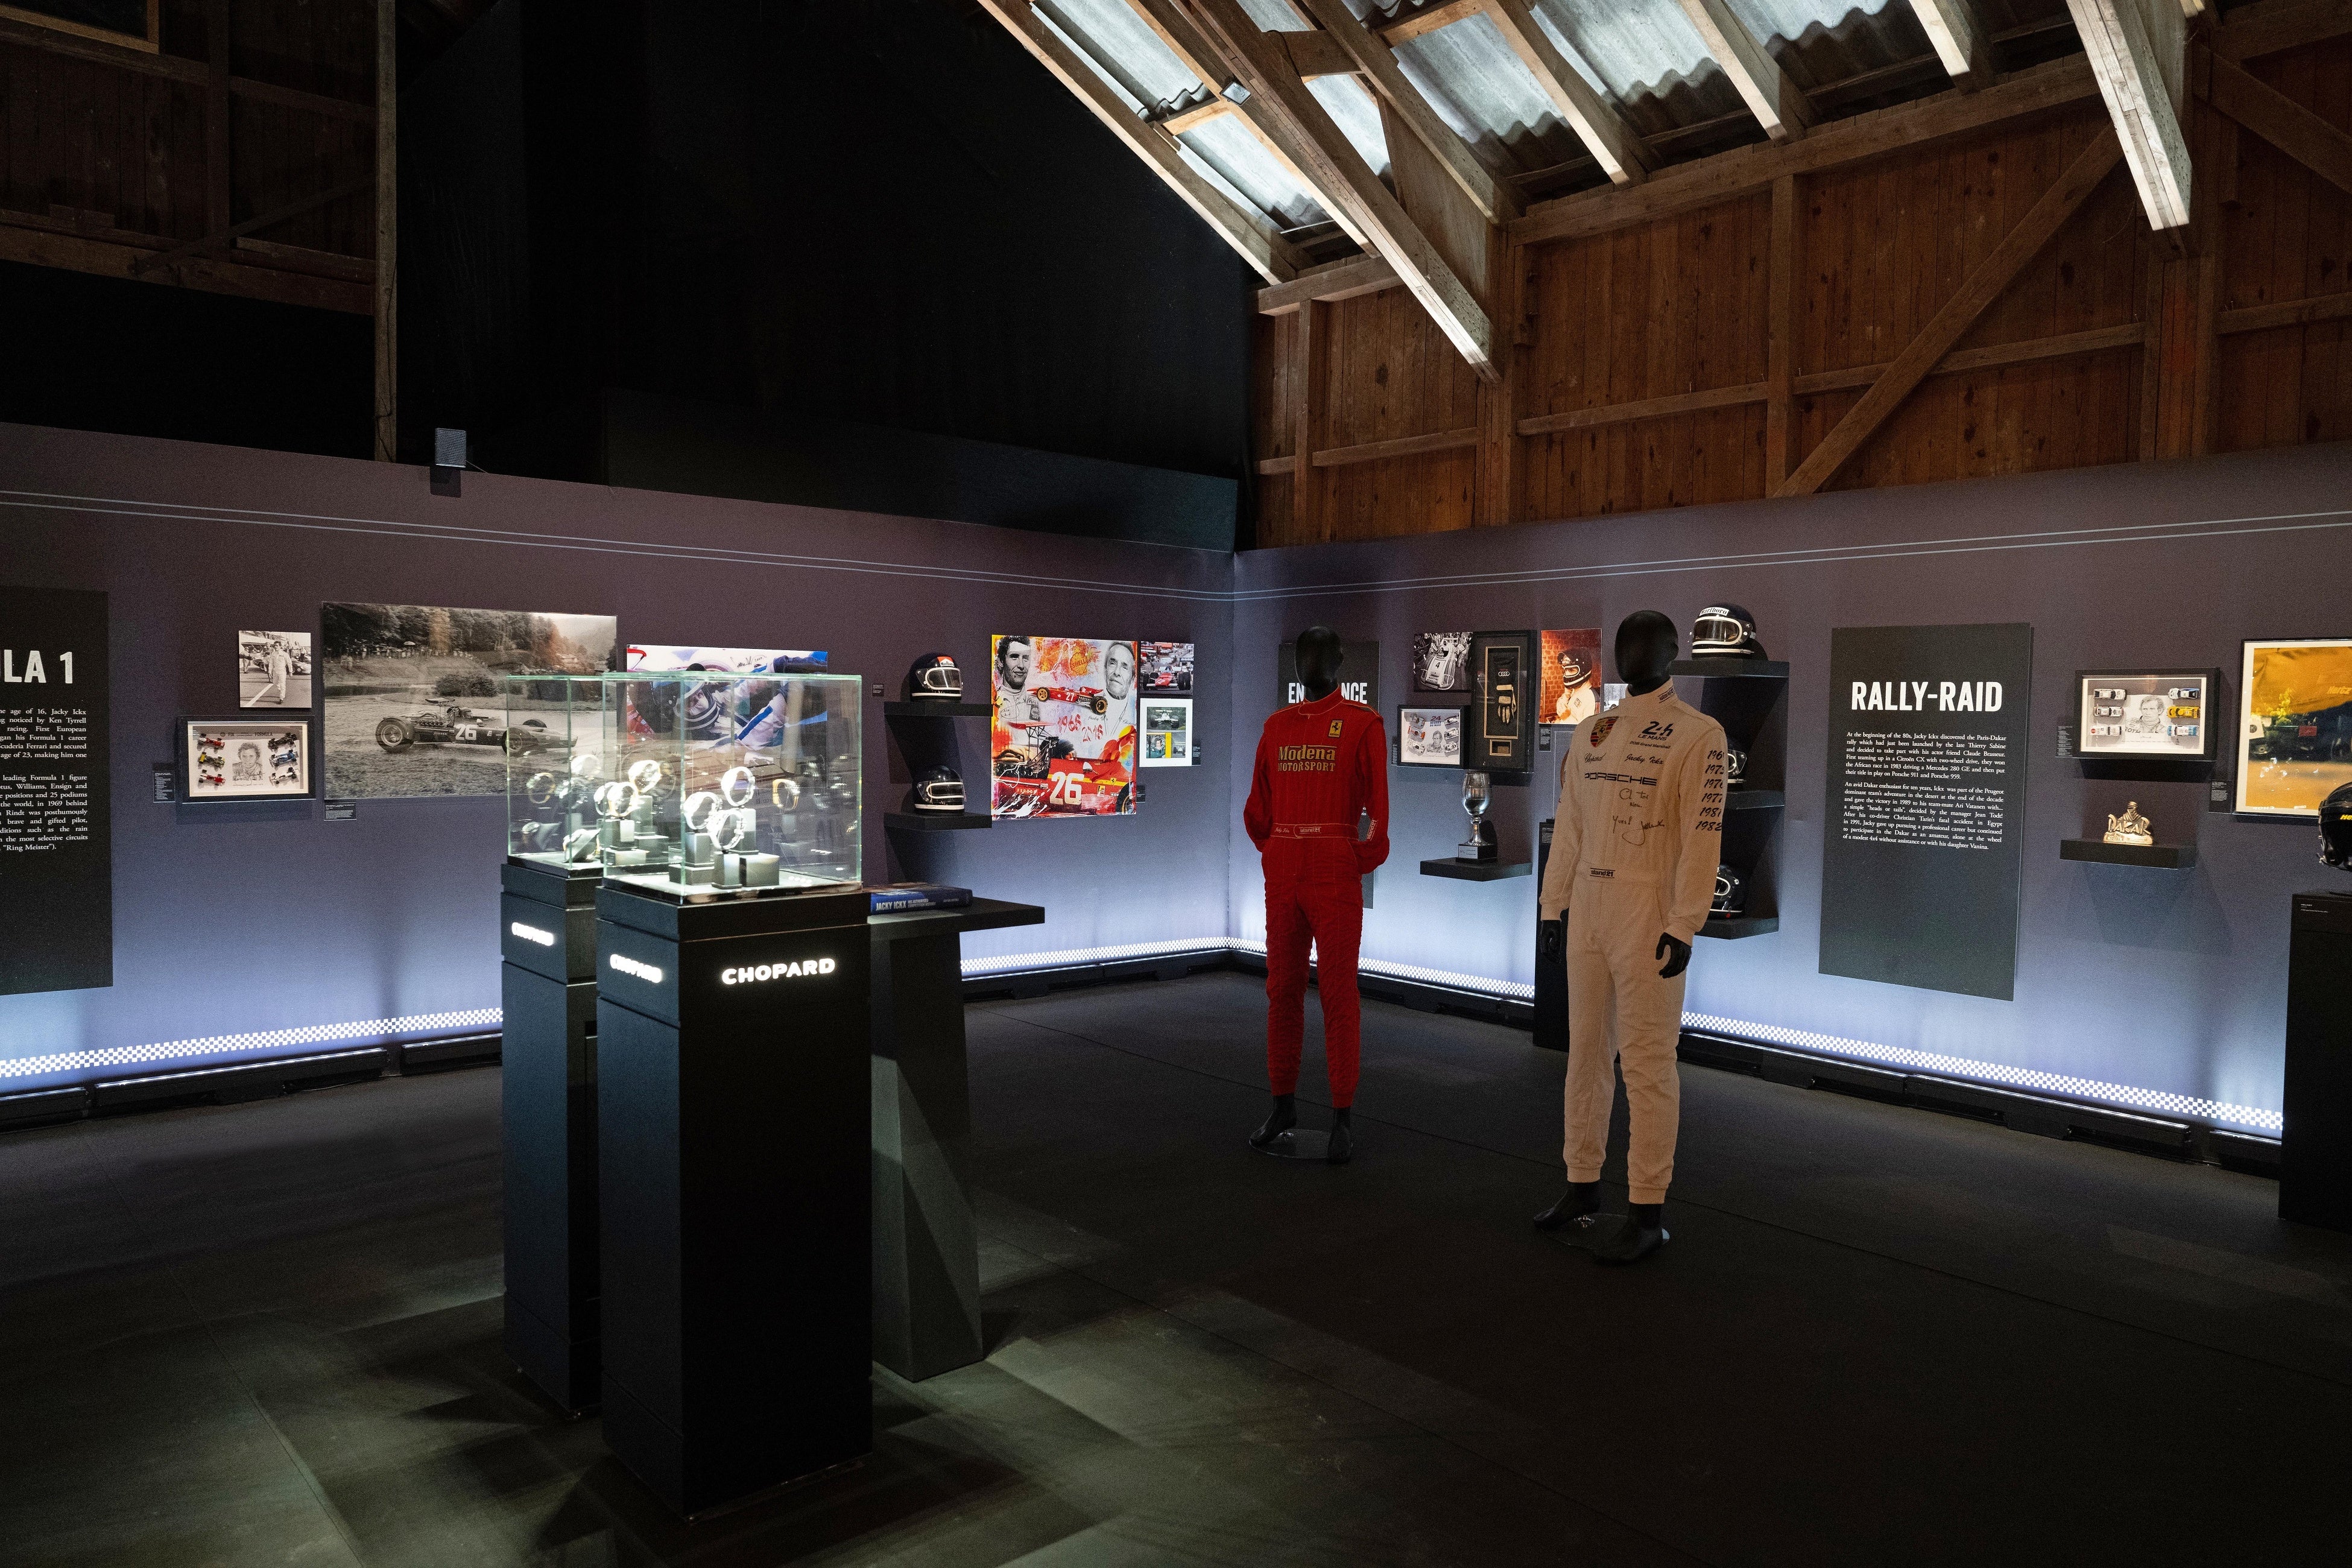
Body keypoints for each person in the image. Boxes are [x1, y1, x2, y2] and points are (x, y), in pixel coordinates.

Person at [1533, 610, 1724, 1263]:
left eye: (1645, 642)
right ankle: (1581, 1183)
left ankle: (1647, 1207)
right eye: (1624, 642)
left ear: (1672, 651)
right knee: (1585, 1054)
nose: (1631, 651)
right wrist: (1553, 905)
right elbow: (1571, 823)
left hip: (1648, 907)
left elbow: (1702, 835)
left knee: (1647, 1062)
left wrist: (1685, 920)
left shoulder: (1699, 734)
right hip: (1589, 902)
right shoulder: (1592, 729)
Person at [1242, 627, 1389, 1164]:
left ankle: (1342, 1115)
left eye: (1322, 654)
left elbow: (1379, 812)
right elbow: (1257, 809)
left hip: (1332, 872)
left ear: (1340, 660)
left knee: (1338, 993)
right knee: (1281, 989)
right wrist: (1278, 851)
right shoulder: (1276, 726)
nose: (1311, 663)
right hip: (1286, 872)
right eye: (1305, 654)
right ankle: (1282, 1105)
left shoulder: (1363, 723)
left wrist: (1353, 857)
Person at [253, 639, 293, 706]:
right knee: (276, 684)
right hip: (275, 671)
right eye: (275, 646)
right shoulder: (273, 654)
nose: (275, 647)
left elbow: (289, 663)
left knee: (283, 685)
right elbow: (271, 663)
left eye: (277, 646)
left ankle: (281, 698)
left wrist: (291, 671)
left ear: (280, 646)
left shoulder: (285, 654)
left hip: (282, 671)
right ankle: (282, 691)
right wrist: (269, 671)